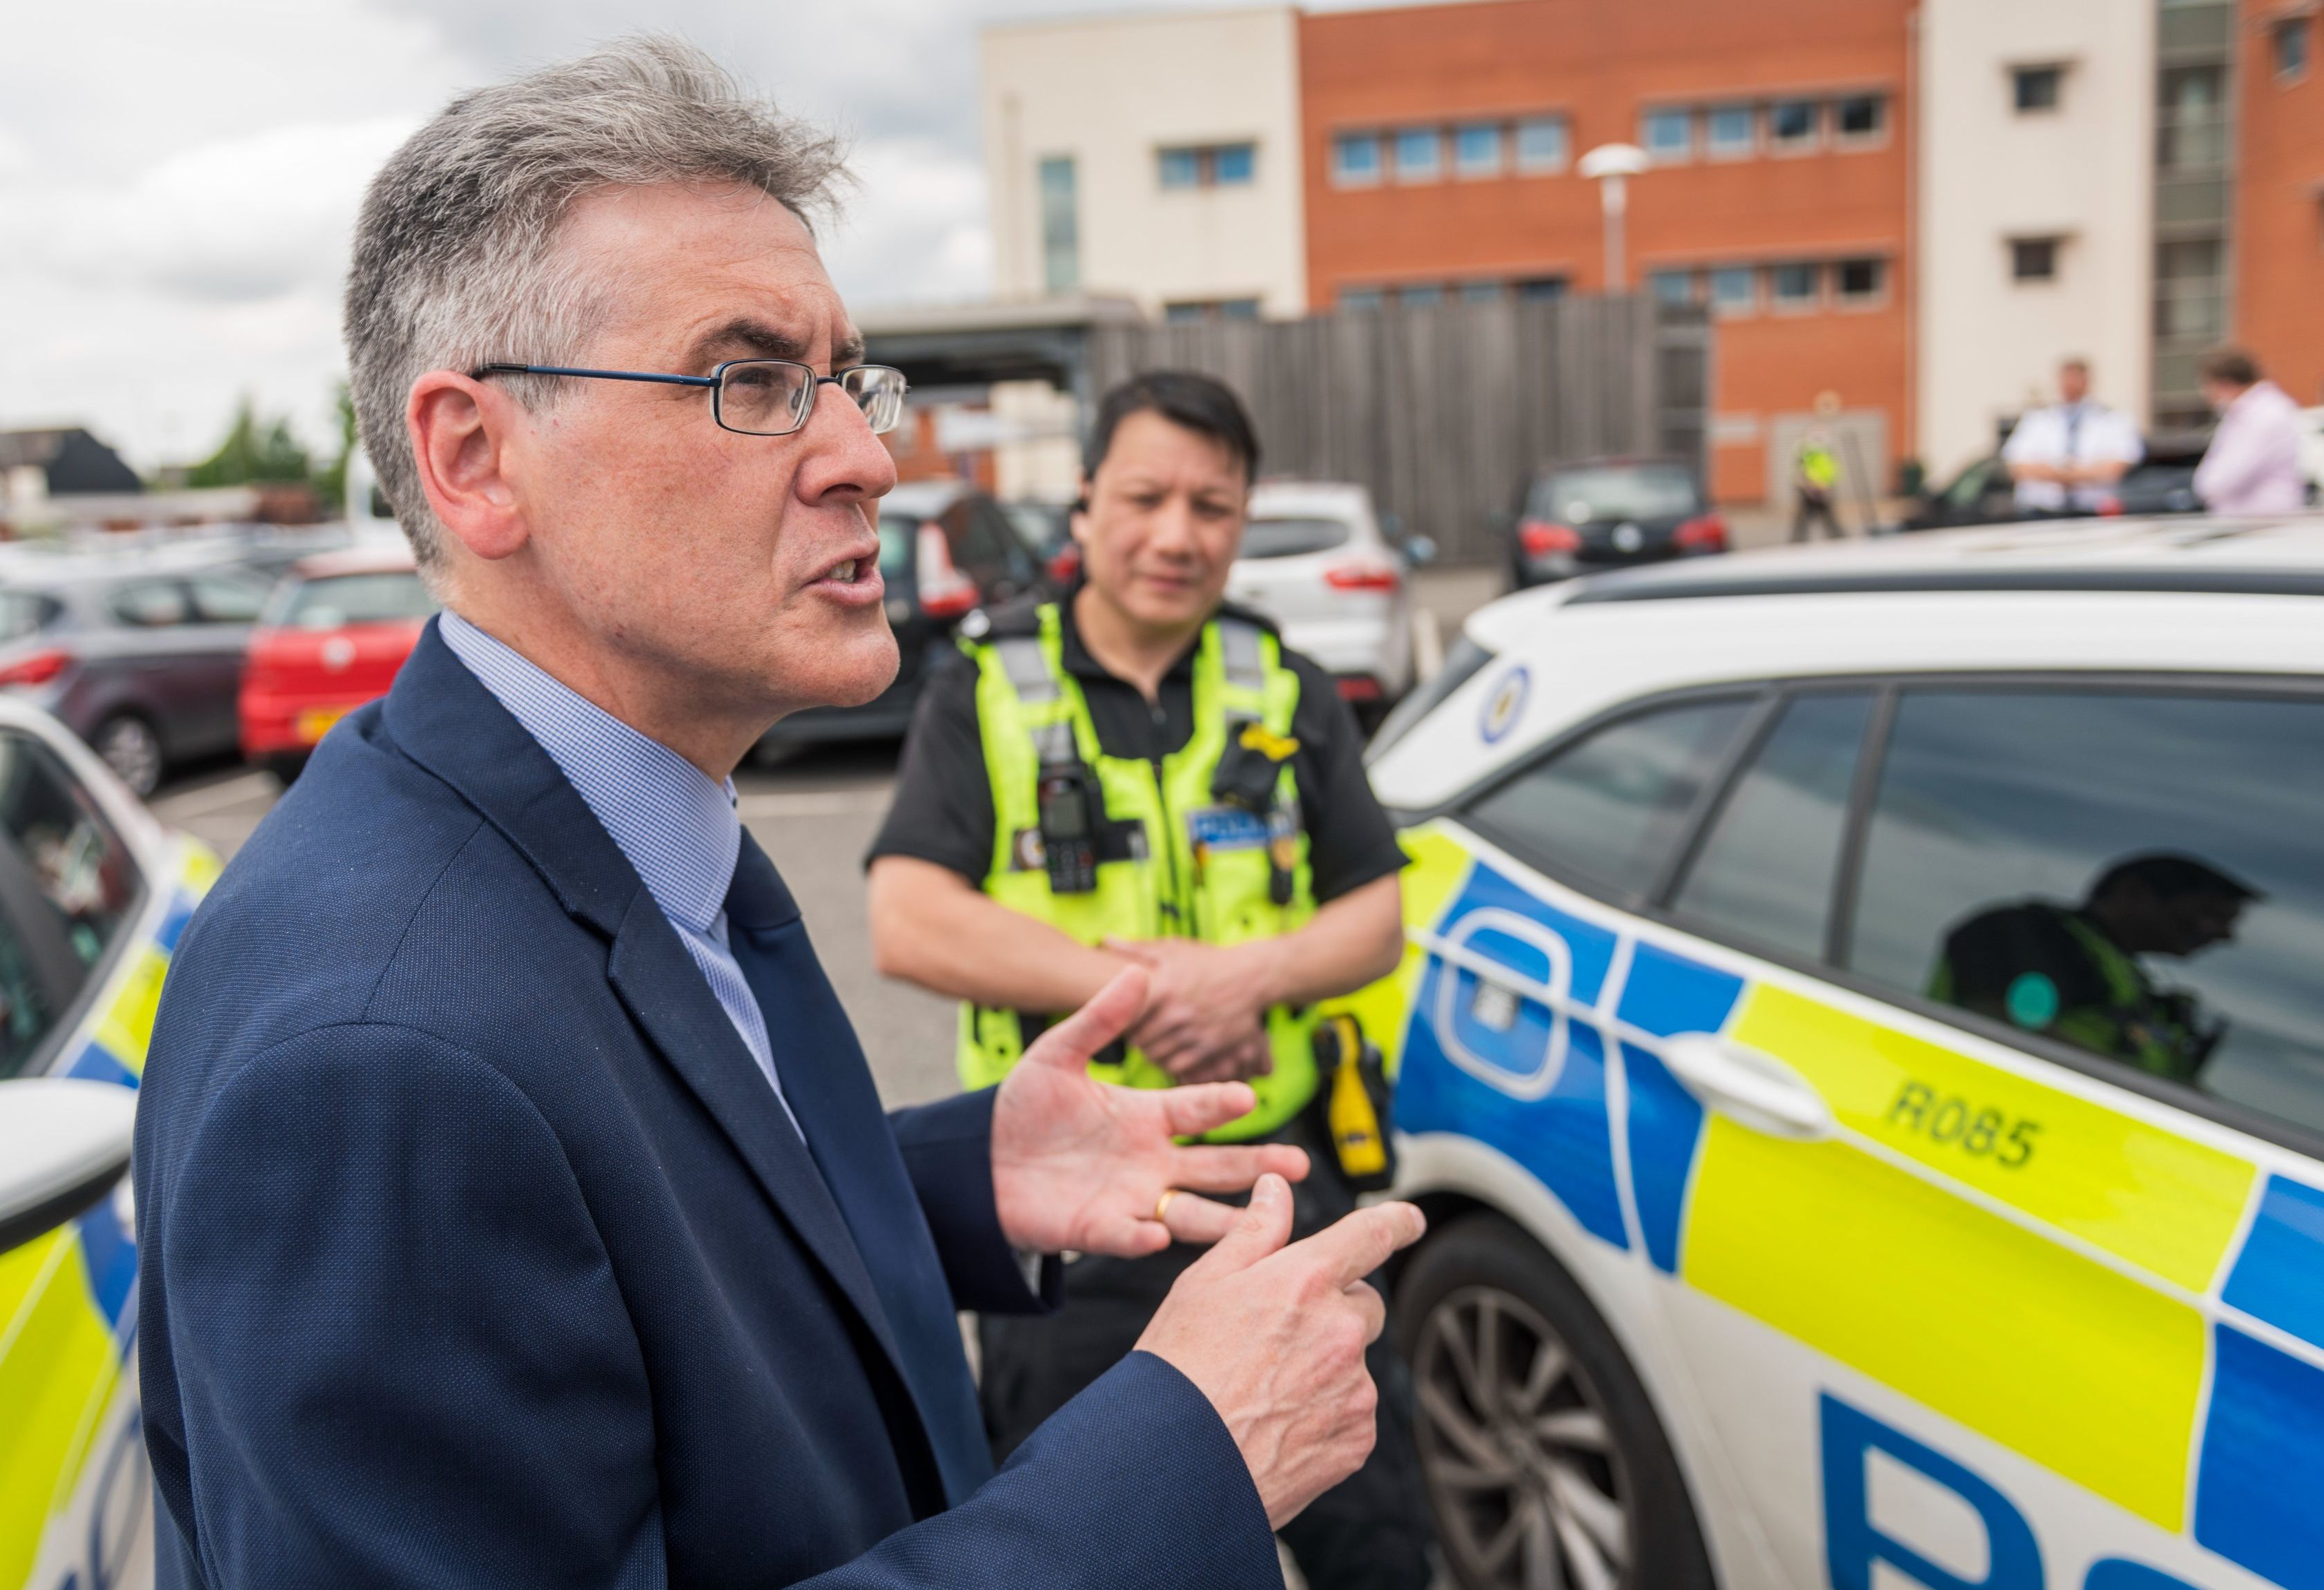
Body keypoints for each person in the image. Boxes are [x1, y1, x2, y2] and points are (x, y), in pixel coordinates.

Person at [133, 40, 1424, 1590]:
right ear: (473, 459)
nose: (868, 459)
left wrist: (949, 1178)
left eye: (844, 380)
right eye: (750, 380)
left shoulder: (611, 831)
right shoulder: (371, 1059)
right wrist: (1183, 1458)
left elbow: (630, 1200)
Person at [863, 371, 1433, 1589]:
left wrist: (1250, 976)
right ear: (1082, 504)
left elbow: (1376, 913)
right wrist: (1147, 996)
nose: (1177, 534)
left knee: (1376, 1534)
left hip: (1280, 1184)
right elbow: (906, 916)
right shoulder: (987, 685)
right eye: (1146, 496)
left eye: (1212, 506)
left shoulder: (1284, 684)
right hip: (1077, 1221)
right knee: (1089, 1548)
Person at [1930, 853, 2260, 1083]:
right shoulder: (2030, 933)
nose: (2224, 935)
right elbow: (2001, 1027)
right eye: (2210, 914)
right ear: (2133, 894)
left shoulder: (2133, 983)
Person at [2000, 357, 2146, 517]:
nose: (2070, 384)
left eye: (2076, 378)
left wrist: (2064, 475)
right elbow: (2018, 466)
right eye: (2067, 378)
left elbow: (2115, 468)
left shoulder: (2114, 420)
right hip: (2040, 513)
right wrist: (2074, 475)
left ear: (2087, 381)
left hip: (2093, 513)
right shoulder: (2036, 419)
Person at [2193, 347, 2309, 515]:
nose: (2207, 394)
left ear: (2225, 383)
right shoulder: (2242, 413)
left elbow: (2227, 479)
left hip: (2264, 525)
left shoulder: (2266, 415)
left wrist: (2206, 486)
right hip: (2250, 523)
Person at [1792, 429, 1844, 541]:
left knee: (1825, 517)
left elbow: (1832, 471)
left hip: (1821, 489)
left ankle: (1838, 537)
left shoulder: (1822, 454)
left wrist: (1826, 485)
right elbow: (1805, 471)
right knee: (1807, 518)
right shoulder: (1809, 454)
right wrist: (1811, 485)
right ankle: (1797, 540)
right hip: (1811, 490)